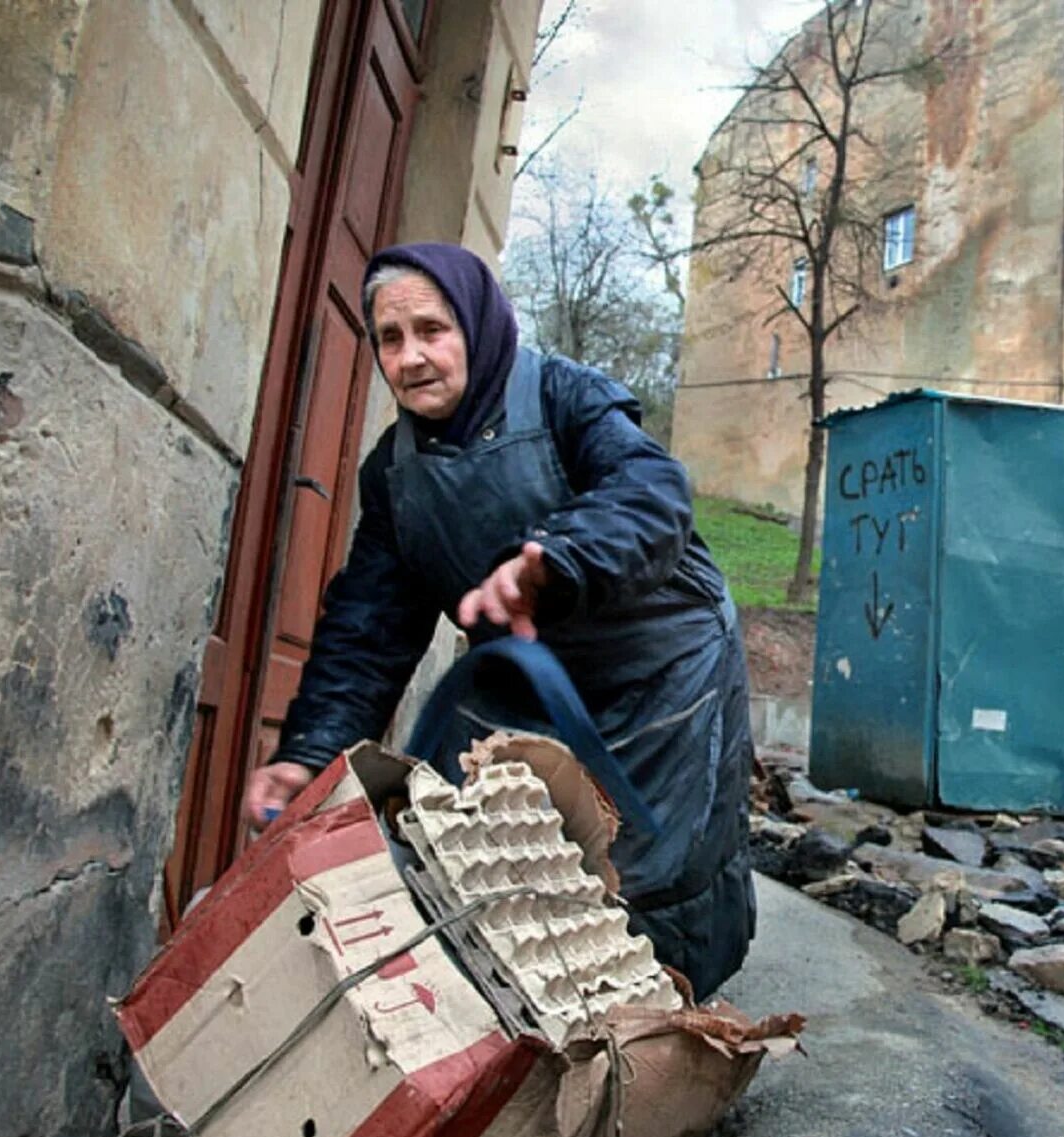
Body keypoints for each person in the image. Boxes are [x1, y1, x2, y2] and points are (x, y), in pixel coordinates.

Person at [240, 242, 754, 999]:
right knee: (467, 858)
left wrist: (555, 558)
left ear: (477, 328)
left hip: (661, 675)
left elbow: (653, 492)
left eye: (431, 330)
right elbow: (368, 629)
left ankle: (655, 1046)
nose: (411, 357)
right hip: (526, 680)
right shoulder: (394, 473)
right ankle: (510, 1045)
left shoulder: (563, 397)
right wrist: (311, 752)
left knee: (646, 878)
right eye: (390, 338)